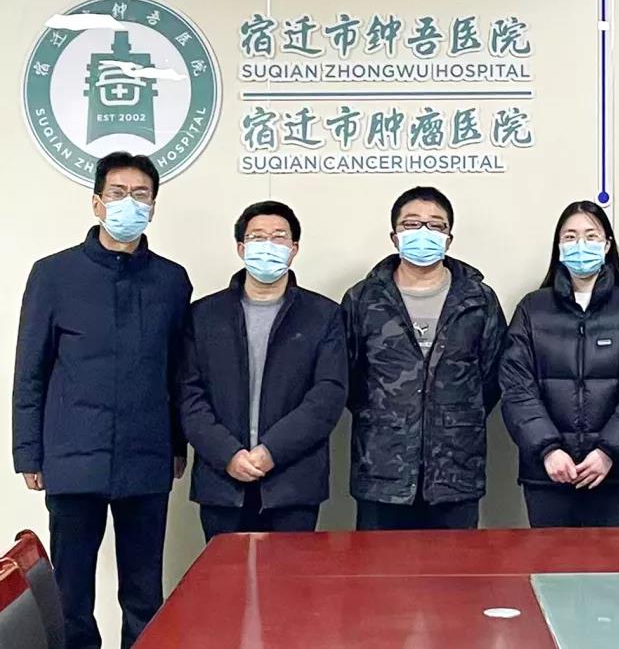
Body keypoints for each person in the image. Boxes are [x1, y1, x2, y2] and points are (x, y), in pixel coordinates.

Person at [12, 152, 191, 649]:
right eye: (117, 193)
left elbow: (179, 371)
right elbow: (30, 369)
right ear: (96, 202)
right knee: (71, 596)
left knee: (144, 593)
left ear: (153, 206)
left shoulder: (172, 280)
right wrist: (28, 452)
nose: (128, 203)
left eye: (140, 195)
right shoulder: (53, 274)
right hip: (73, 455)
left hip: (146, 455)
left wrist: (178, 444)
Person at [342, 187, 507, 530]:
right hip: (382, 470)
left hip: (455, 471)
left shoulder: (478, 299)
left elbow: (492, 378)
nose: (423, 232)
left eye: (435, 225)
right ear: (394, 236)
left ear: (449, 238)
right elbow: (348, 377)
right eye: (411, 224)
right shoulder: (364, 298)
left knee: (455, 565)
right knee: (378, 564)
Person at [180, 201, 347, 540]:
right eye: (257, 237)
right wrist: (228, 454)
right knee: (226, 573)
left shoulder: (324, 315)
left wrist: (271, 451)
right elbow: (189, 395)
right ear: (241, 248)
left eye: (279, 237)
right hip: (222, 482)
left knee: (292, 575)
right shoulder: (203, 315)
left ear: (294, 248)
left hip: (294, 483)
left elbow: (327, 396)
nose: (268, 245)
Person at [501, 201, 619, 528]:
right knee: (550, 559)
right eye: (570, 236)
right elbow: (515, 388)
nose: (581, 245)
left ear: (606, 246)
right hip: (548, 474)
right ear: (559, 247)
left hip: (615, 473)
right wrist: (548, 449)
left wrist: (608, 451)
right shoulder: (533, 309)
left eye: (591, 236)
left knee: (611, 561)